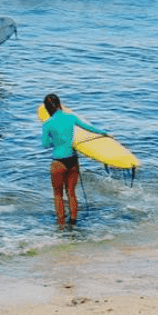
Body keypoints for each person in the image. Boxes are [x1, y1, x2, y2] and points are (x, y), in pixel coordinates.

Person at [38, 93, 108, 228]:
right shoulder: (71, 117)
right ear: (59, 104)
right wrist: (104, 133)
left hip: (59, 161)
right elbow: (88, 127)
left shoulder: (47, 124)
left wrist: (56, 141)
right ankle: (74, 224)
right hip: (73, 160)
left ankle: (61, 226)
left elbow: (45, 144)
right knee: (71, 192)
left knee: (58, 195)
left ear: (47, 109)